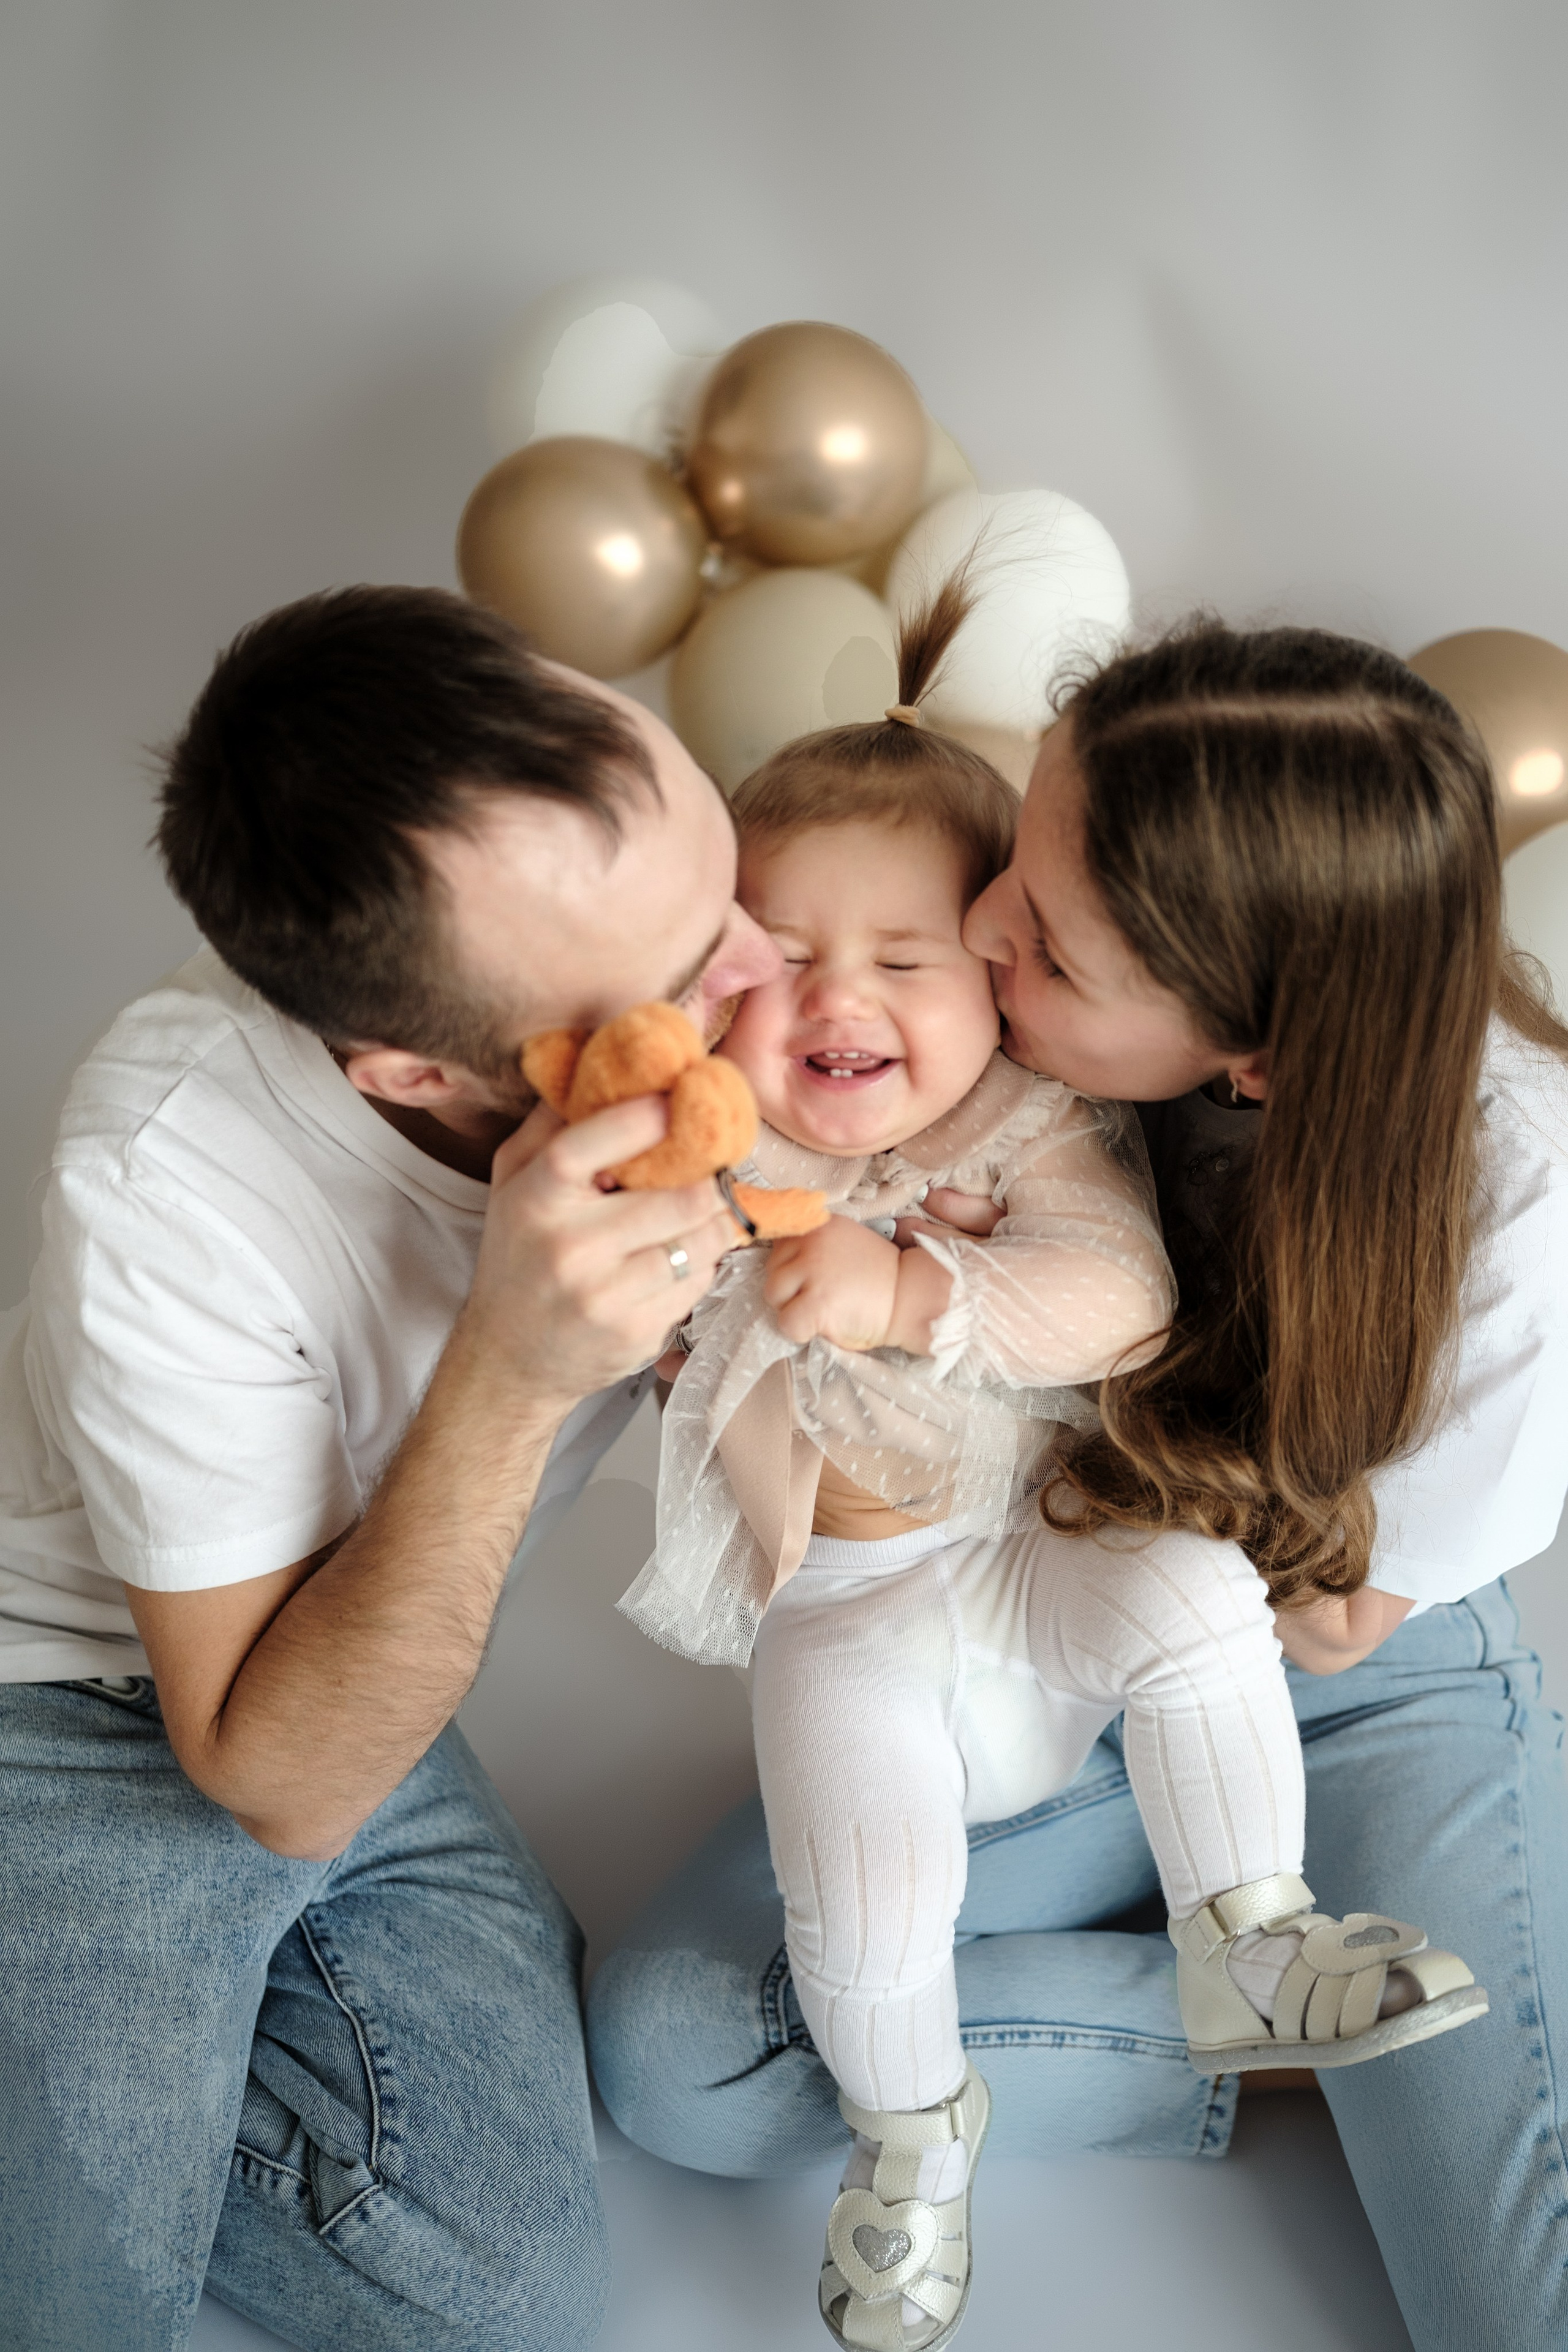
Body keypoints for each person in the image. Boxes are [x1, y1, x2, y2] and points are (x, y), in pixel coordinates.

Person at [587, 620, 1568, 2352]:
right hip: (993, 1597)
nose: (975, 931)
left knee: (1514, 2301)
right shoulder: (964, 1030)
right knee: (680, 2057)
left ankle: (1310, 1982)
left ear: (1246, 1059)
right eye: (1010, 873)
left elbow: (1336, 1614)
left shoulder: (1510, 1187)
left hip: (1318, 1659)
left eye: (1035, 943)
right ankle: (1243, 2035)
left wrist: (970, 1317)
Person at [0, 586, 779, 2352]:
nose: (753, 975)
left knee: (509, 2314)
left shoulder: (726, 976)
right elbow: (274, 1776)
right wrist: (511, 1368)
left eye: (715, 876)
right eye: (670, 988)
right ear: (416, 1072)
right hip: (86, 1707)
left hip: (369, 1693)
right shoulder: (164, 1183)